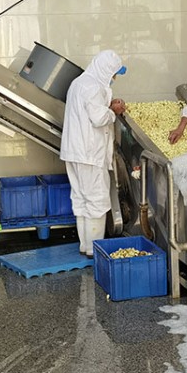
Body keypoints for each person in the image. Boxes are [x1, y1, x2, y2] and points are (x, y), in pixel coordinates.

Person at [60, 49, 127, 256]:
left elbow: (89, 110)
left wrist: (107, 105)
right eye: (114, 74)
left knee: (81, 199)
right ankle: (94, 249)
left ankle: (85, 245)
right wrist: (113, 112)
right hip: (89, 153)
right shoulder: (94, 87)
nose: (114, 78)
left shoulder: (79, 82)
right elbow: (99, 118)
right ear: (106, 70)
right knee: (97, 201)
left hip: (74, 152)